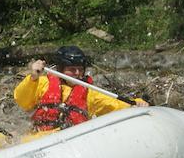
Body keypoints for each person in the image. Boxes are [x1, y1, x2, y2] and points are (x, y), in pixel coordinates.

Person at [13, 45, 146, 137]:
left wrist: (136, 103)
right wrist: (33, 77)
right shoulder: (42, 83)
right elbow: (21, 100)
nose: (77, 73)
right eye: (72, 69)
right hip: (39, 139)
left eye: (80, 69)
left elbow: (114, 104)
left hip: (72, 141)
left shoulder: (90, 93)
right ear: (60, 69)